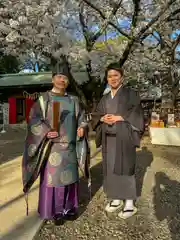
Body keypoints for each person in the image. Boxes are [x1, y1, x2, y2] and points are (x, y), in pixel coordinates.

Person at [22, 62, 89, 224]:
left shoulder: (73, 100)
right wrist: (46, 130)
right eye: (59, 77)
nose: (62, 80)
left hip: (71, 145)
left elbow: (82, 118)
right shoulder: (44, 99)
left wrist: (82, 126)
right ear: (53, 79)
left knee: (71, 179)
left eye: (65, 78)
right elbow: (34, 120)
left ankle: (69, 208)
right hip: (52, 147)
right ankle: (54, 210)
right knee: (54, 180)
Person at [92, 62, 144, 219]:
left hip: (124, 136)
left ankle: (129, 202)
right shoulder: (105, 98)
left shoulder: (131, 94)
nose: (113, 78)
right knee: (110, 168)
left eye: (116, 75)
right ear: (107, 79)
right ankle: (115, 197)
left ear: (122, 77)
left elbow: (137, 113)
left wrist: (119, 117)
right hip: (108, 138)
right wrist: (102, 118)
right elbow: (96, 114)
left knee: (126, 167)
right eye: (109, 76)